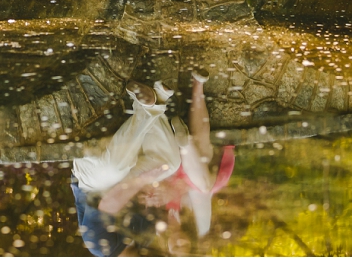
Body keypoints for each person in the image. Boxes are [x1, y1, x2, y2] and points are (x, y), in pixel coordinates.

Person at [71, 72, 235, 256]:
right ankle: (150, 103)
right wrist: (151, 191)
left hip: (94, 182)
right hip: (126, 180)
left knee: (114, 170)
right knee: (169, 164)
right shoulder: (145, 238)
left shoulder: (100, 246)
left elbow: (109, 200)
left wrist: (144, 181)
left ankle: (153, 105)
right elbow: (141, 195)